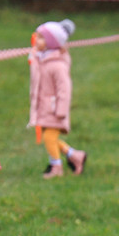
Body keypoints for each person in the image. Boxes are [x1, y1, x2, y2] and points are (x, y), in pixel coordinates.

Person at [28, 19, 87, 179]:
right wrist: (33, 58)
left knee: (49, 137)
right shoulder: (43, 58)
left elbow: (64, 89)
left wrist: (61, 110)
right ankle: (75, 155)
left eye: (41, 37)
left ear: (51, 42)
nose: (36, 40)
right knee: (50, 138)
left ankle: (56, 168)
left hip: (54, 109)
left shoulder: (58, 65)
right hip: (45, 107)